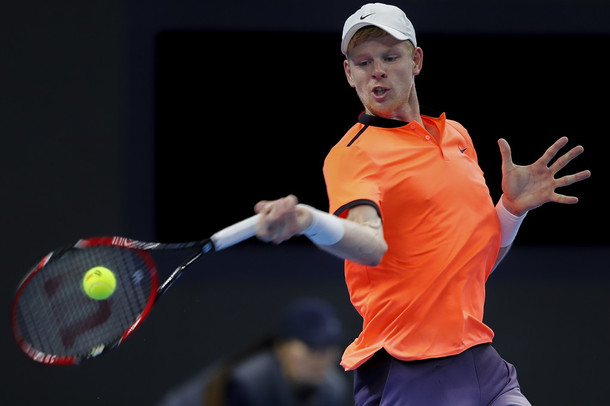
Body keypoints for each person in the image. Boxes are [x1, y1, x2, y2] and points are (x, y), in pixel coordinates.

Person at [252, 3, 591, 405]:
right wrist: (309, 221)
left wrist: (512, 210)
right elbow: (368, 244)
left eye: (390, 57)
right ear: (349, 74)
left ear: (416, 61)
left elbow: (475, 263)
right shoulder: (353, 154)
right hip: (410, 368)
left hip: (481, 359)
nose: (376, 70)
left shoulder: (456, 137)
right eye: (362, 62)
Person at [158, 297, 350, 406]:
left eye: (329, 346)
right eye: (312, 346)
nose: (322, 358)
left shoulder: (333, 389)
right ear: (281, 348)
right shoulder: (248, 384)